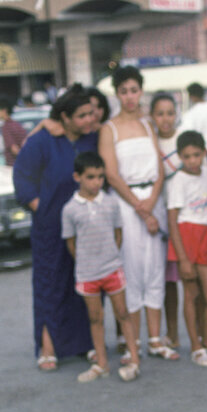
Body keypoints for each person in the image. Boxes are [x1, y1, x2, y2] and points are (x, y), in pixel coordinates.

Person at [13, 85, 99, 372]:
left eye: (91, 113)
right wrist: (44, 208)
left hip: (85, 226)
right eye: (83, 115)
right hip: (50, 227)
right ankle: (47, 345)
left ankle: (85, 343)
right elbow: (23, 179)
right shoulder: (42, 141)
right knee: (50, 283)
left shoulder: (91, 140)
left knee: (83, 283)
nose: (90, 119)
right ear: (65, 117)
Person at [99, 66, 171, 364]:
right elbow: (112, 175)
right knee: (131, 270)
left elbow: (159, 169)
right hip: (127, 206)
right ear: (117, 94)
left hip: (153, 202)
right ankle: (134, 343)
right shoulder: (109, 129)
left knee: (155, 269)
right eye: (124, 91)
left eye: (134, 90)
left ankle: (156, 339)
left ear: (141, 91)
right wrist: (142, 210)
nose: (130, 97)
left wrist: (152, 202)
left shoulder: (148, 125)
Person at [61, 151, 140, 383]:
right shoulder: (69, 209)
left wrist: (109, 258)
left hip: (112, 269)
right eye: (91, 177)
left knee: (123, 313)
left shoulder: (112, 203)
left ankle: (134, 359)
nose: (96, 182)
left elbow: (118, 234)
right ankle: (102, 364)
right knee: (95, 318)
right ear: (78, 177)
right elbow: (71, 243)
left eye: (100, 177)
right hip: (87, 273)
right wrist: (87, 261)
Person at [166, 131, 207, 368]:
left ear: (204, 153)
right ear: (180, 157)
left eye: (196, 155)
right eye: (187, 156)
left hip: (204, 235)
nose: (192, 160)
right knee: (192, 293)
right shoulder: (177, 181)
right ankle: (195, 347)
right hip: (185, 236)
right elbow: (172, 220)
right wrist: (182, 259)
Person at [151, 92, 183, 354]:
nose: (165, 119)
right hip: (158, 218)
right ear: (152, 116)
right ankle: (169, 332)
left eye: (170, 113)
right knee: (165, 281)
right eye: (160, 113)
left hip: (184, 218)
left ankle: (197, 336)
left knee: (190, 279)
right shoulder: (149, 143)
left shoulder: (183, 140)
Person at [0, 96, 27, 167]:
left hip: (13, 166)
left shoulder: (6, 127)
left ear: (4, 110)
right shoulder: (16, 124)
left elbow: (14, 149)